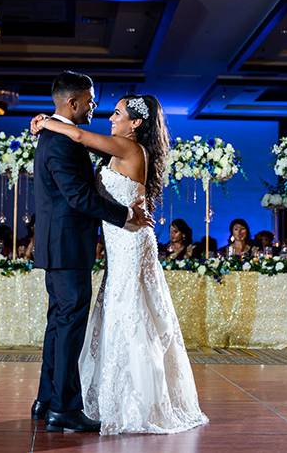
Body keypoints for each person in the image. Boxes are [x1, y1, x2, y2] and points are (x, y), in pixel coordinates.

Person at [32, 86, 207, 435]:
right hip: (120, 239)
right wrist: (50, 122)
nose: (109, 116)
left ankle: (134, 399)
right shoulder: (117, 150)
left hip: (129, 238)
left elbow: (79, 134)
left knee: (129, 311)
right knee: (114, 311)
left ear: (135, 123)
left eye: (118, 114)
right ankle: (69, 399)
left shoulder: (129, 147)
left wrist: (47, 122)